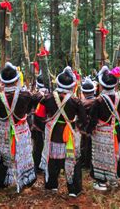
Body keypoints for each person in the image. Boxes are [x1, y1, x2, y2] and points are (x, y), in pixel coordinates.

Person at [37, 66, 87, 197]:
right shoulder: (76, 101)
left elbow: (38, 115)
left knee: (52, 160)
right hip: (69, 135)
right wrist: (78, 128)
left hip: (53, 134)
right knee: (73, 161)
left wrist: (45, 126)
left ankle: (51, 185)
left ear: (58, 82)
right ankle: (74, 189)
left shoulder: (46, 98)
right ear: (72, 85)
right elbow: (83, 119)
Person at [0, 62, 38, 192]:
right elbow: (29, 109)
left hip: (4, 131)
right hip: (21, 130)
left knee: (3, 156)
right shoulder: (26, 96)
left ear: (2, 81)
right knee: (23, 154)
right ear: (17, 79)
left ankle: (1, 182)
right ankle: (26, 181)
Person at [87, 66, 120, 191]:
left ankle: (101, 182)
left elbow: (93, 119)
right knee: (115, 154)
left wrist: (88, 130)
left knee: (101, 156)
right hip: (117, 131)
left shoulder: (98, 101)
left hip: (102, 133)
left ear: (101, 85)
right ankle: (114, 179)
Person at [30, 74, 48, 172]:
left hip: (38, 125)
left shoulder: (36, 96)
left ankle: (37, 166)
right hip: (48, 125)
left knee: (38, 147)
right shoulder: (52, 94)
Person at [80, 76, 95, 169]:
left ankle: (85, 163)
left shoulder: (81, 103)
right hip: (96, 127)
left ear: (83, 92)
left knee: (85, 145)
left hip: (85, 127)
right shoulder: (98, 100)